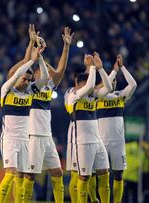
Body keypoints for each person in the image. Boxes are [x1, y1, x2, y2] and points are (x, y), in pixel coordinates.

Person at [22, 27, 73, 203]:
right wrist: (34, 45)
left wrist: (66, 47)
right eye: (44, 72)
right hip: (33, 135)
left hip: (47, 136)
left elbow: (61, 71)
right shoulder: (29, 88)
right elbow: (27, 61)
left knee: (57, 172)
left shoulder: (49, 87)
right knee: (30, 175)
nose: (50, 75)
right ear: (36, 74)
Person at [0, 33, 48, 203]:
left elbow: (45, 78)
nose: (26, 82)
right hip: (10, 139)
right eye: (24, 79)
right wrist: (31, 61)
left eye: (28, 80)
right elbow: (16, 73)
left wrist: (40, 58)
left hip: (24, 140)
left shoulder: (30, 93)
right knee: (10, 173)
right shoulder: (7, 90)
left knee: (21, 176)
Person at [65, 53, 112, 203]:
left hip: (97, 140)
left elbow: (109, 87)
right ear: (77, 84)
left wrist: (100, 68)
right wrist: (92, 67)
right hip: (82, 142)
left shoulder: (93, 95)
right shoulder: (72, 95)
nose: (88, 88)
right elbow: (90, 85)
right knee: (83, 177)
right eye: (83, 85)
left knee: (104, 173)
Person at [96, 54, 137, 203]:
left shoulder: (120, 96)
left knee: (118, 174)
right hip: (101, 140)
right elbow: (104, 88)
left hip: (118, 142)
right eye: (109, 81)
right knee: (101, 174)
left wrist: (122, 68)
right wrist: (113, 72)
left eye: (114, 81)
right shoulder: (98, 96)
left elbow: (133, 85)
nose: (112, 83)